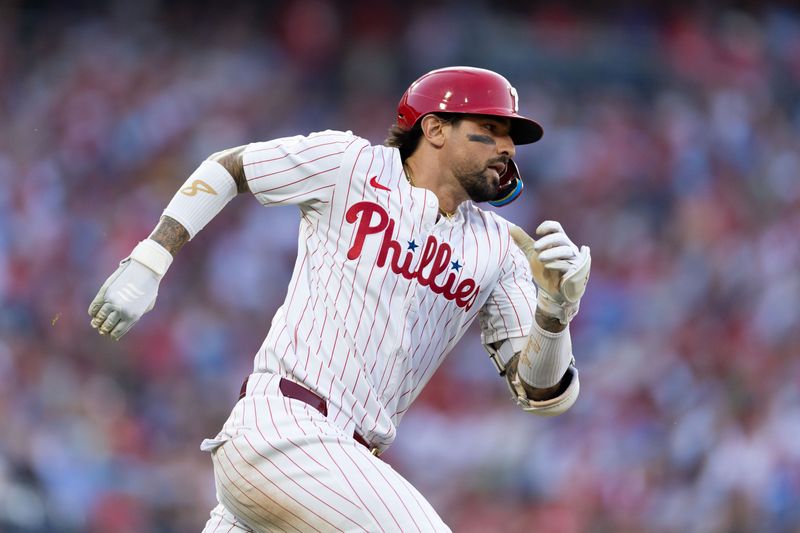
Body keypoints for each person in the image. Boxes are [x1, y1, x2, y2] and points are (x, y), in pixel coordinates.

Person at [88, 66, 591, 532]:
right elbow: (230, 167)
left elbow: (542, 395)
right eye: (492, 129)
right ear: (435, 129)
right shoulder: (352, 164)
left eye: (511, 137)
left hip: (339, 467)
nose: (507, 147)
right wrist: (149, 260)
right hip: (285, 426)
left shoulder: (501, 248)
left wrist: (553, 312)